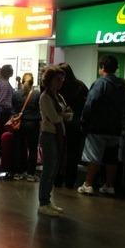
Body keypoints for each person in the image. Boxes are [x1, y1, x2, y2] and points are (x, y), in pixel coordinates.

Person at [78, 55, 125, 196]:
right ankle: (109, 185)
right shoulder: (122, 86)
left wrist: (83, 121)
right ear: (116, 68)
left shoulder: (100, 83)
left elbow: (90, 104)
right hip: (115, 129)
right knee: (111, 158)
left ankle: (88, 184)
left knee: (94, 156)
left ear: (102, 68)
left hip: (97, 128)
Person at [38, 66, 71, 216]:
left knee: (53, 169)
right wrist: (64, 115)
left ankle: (47, 200)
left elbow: (68, 113)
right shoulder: (45, 97)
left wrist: (64, 115)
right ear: (50, 80)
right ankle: (43, 202)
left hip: (57, 134)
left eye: (62, 80)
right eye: (58, 80)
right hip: (49, 135)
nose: (61, 83)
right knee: (48, 169)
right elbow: (56, 117)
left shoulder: (58, 96)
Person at [57, 63, 89, 188]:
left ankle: (58, 179)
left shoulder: (58, 87)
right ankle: (70, 181)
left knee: (59, 152)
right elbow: (87, 105)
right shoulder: (80, 86)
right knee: (73, 154)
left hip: (60, 124)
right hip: (76, 125)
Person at [11, 72, 41, 181]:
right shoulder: (37, 94)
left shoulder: (16, 94)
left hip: (19, 124)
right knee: (32, 149)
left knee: (18, 148)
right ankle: (30, 174)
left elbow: (13, 110)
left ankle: (18, 173)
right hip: (33, 124)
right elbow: (39, 110)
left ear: (22, 82)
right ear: (32, 83)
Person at [0, 64, 14, 170]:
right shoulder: (5, 84)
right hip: (5, 113)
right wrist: (12, 106)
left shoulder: (0, 82)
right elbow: (3, 101)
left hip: (2, 112)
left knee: (1, 137)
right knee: (3, 137)